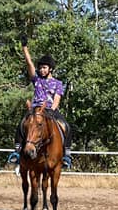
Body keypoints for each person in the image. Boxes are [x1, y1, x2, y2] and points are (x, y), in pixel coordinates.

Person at [8, 36, 73, 168]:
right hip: (35, 109)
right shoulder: (36, 79)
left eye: (44, 67)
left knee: (66, 126)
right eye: (40, 68)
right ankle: (17, 152)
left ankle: (66, 155)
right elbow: (29, 64)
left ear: (50, 69)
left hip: (50, 110)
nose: (42, 70)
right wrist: (24, 48)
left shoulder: (58, 83)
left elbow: (57, 99)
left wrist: (52, 110)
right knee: (22, 123)